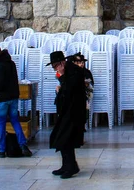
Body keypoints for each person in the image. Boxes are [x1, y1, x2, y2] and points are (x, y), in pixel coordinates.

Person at [0, 47, 32, 158]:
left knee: (1, 123)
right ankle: (23, 145)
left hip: (2, 99)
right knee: (15, 122)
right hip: (13, 97)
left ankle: (2, 149)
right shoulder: (11, 63)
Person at [48, 51, 86, 179]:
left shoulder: (74, 72)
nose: (55, 69)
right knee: (63, 139)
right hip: (67, 111)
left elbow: (71, 90)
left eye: (55, 66)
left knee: (66, 139)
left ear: (61, 63)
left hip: (74, 112)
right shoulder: (68, 72)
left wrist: (62, 76)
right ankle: (67, 165)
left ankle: (71, 167)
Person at [69, 53, 93, 131]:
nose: (81, 64)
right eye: (79, 62)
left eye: (82, 62)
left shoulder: (86, 72)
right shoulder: (70, 72)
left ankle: (82, 124)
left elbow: (89, 83)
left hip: (84, 94)